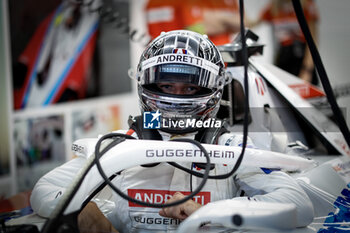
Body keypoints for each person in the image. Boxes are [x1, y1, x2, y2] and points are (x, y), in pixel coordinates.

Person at [30, 30, 314, 233]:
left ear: (212, 89)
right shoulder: (122, 144)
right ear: (146, 84)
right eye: (166, 86)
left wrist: (211, 213)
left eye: (190, 87)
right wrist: (82, 209)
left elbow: (299, 205)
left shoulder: (229, 147)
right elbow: (44, 190)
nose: (177, 97)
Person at [249, 0, 319, 84]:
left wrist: (307, 70)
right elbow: (252, 23)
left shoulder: (306, 5)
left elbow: (313, 40)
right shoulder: (274, 6)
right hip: (283, 57)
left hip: (301, 58)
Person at [145, 0, 241, 45]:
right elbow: (196, 29)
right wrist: (227, 23)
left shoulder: (150, 3)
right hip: (192, 59)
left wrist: (217, 20)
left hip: (159, 59)